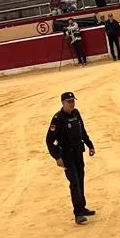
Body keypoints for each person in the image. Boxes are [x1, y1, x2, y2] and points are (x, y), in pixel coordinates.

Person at [45, 91, 97, 225]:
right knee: (74, 182)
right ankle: (78, 213)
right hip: (67, 156)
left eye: (73, 101)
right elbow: (49, 140)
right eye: (69, 102)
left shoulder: (76, 113)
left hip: (78, 153)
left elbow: (82, 131)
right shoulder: (57, 119)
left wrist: (90, 145)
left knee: (80, 179)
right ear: (62, 103)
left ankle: (82, 207)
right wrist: (57, 157)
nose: (72, 104)